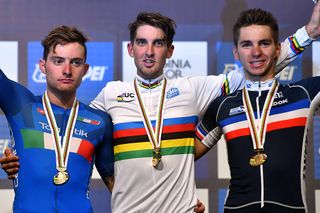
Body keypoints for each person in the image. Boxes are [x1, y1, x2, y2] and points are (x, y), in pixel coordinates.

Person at [2, 7, 320, 212]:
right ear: (131, 49)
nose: (149, 51)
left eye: (158, 43)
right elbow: (68, 128)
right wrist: (19, 158)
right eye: (142, 42)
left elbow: (256, 67)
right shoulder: (110, 96)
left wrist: (309, 34)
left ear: (170, 50)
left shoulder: (193, 89)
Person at [195, 6, 320, 213]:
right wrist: (181, 199)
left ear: (277, 49)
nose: (256, 52)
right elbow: (181, 157)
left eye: (264, 43)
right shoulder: (223, 106)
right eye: (246, 44)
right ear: (236, 52)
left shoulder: (303, 94)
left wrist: (312, 30)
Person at [0, 26, 114, 213]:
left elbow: (118, 188)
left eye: (76, 62)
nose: (67, 70)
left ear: (85, 70)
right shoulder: (20, 105)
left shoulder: (99, 122)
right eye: (58, 61)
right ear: (43, 66)